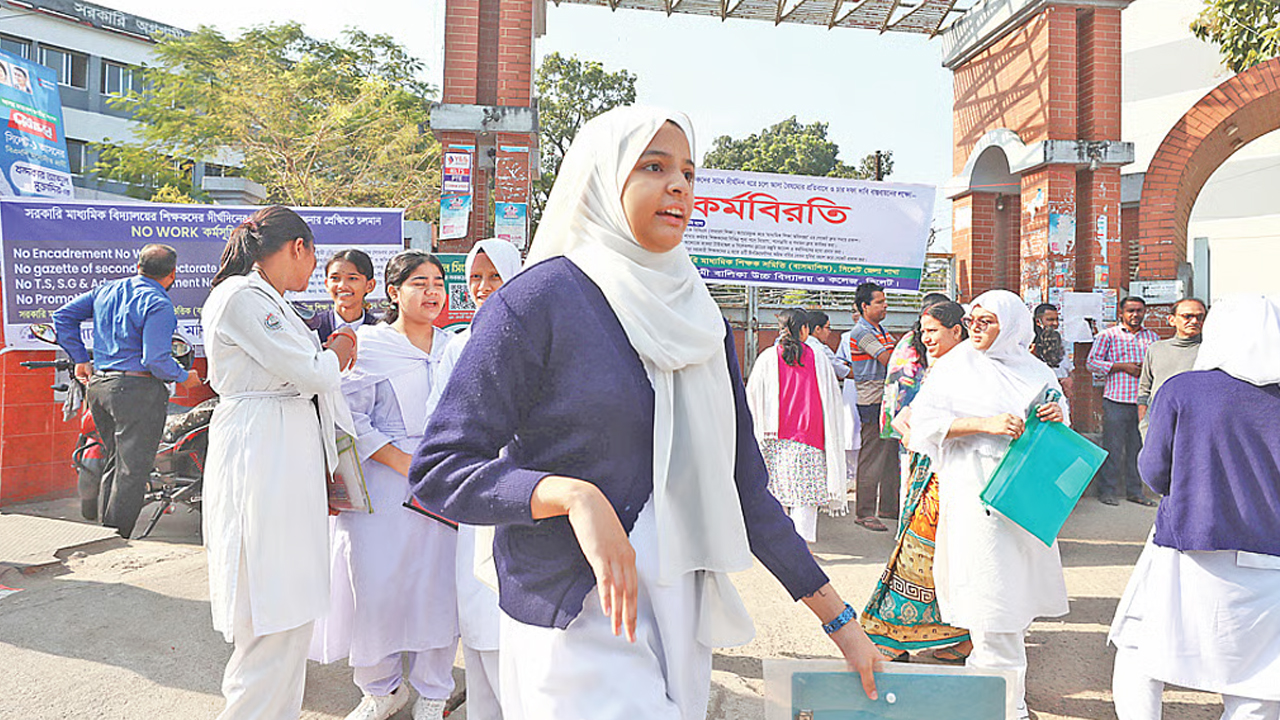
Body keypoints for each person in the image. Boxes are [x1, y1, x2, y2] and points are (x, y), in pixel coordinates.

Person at [408, 106, 882, 719]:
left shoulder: (700, 318)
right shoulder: (539, 302)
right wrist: (571, 496)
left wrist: (840, 622)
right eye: (654, 167)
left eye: (688, 172)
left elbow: (744, 486)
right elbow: (441, 469)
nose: (679, 185)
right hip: (574, 611)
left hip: (679, 610)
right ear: (603, 179)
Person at [201, 206, 358, 720]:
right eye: (314, 258)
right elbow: (312, 371)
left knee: (291, 613)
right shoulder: (242, 297)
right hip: (262, 452)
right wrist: (339, 348)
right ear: (298, 247)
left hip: (283, 449)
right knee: (270, 608)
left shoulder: (271, 301)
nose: (314, 271)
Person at [1109, 295, 1280, 720]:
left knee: (1139, 647)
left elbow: (1154, 471)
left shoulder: (1183, 390)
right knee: (1259, 675)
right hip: (1270, 555)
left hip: (1189, 544)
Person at [906, 290, 1070, 720]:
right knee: (991, 598)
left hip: (1024, 500)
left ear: (1011, 326)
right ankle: (1002, 705)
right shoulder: (954, 367)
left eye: (987, 321)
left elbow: (1059, 414)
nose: (975, 328)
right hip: (975, 496)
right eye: (972, 320)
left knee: (1015, 598)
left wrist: (1056, 415)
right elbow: (921, 425)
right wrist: (984, 424)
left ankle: (998, 699)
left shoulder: (1035, 370)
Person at [311, 250, 459, 720]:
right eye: (419, 283)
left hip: (441, 483)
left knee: (437, 585)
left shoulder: (454, 347)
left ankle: (434, 689)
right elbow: (351, 418)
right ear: (393, 292)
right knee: (375, 585)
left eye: (438, 283)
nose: (432, 291)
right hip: (381, 484)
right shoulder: (369, 346)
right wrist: (405, 463)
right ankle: (381, 688)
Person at [52, 243, 202, 536]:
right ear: (172, 274)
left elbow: (62, 317)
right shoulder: (158, 303)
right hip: (135, 392)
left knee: (115, 463)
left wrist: (80, 359)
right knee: (132, 472)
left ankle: (105, 535)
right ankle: (116, 539)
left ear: (138, 267)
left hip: (100, 388)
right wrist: (184, 377)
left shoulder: (106, 290)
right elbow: (155, 359)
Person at [436, 237, 523, 720]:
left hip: (523, 486)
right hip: (476, 489)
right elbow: (440, 419)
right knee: (477, 605)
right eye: (475, 277)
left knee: (515, 612)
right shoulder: (458, 346)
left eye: (494, 276)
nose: (483, 287)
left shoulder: (534, 339)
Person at [860, 301, 973, 665]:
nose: (926, 338)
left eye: (933, 331)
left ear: (957, 330)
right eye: (923, 331)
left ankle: (895, 636)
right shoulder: (942, 365)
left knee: (924, 554)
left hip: (952, 476)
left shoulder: (971, 368)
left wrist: (922, 429)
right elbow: (910, 408)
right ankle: (957, 636)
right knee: (930, 553)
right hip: (929, 470)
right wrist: (912, 424)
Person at [747, 308, 847, 543]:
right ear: (804, 330)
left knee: (776, 492)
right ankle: (803, 546)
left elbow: (751, 397)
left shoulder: (767, 357)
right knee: (805, 497)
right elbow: (832, 398)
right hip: (810, 437)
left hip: (773, 437)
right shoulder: (818, 357)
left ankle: (779, 545)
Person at [837, 281, 900, 532]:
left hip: (885, 399)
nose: (885, 306)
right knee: (872, 456)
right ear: (865, 306)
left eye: (885, 301)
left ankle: (888, 507)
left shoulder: (880, 330)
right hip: (872, 400)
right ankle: (864, 512)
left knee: (889, 455)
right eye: (880, 302)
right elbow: (890, 359)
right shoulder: (862, 333)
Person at [1087, 296, 1158, 507]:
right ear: (1121, 313)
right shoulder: (1108, 335)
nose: (1135, 314)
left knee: (1138, 448)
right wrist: (1122, 366)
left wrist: (1145, 368)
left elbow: (1157, 365)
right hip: (1116, 400)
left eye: (1139, 310)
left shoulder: (1152, 337)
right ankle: (1107, 491)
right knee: (1113, 448)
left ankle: (1135, 492)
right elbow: (1092, 363)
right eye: (1130, 311)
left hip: (1143, 403)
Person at [1136, 297, 1206, 439]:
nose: (1194, 321)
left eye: (1199, 317)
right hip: (1158, 425)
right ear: (1172, 320)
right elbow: (1144, 388)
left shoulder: (1210, 351)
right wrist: (1144, 422)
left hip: (1196, 426)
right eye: (1187, 316)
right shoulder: (1156, 349)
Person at [309, 249, 380, 344]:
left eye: (352, 278)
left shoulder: (379, 331)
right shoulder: (312, 328)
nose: (342, 286)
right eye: (335, 278)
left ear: (370, 286)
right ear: (326, 284)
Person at [1033, 303, 1073, 394]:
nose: (1055, 324)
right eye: (1050, 320)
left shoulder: (1060, 342)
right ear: (1038, 322)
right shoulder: (1029, 343)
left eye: (1057, 319)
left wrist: (1069, 380)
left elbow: (1068, 369)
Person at [804, 310, 849, 383]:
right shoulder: (822, 349)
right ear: (818, 329)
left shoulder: (798, 345)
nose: (829, 332)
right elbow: (842, 371)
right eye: (828, 328)